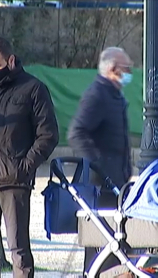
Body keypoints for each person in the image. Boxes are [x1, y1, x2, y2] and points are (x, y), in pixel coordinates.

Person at [0, 36, 59, 278]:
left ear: (11, 60)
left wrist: (25, 167)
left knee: (18, 249)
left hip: (14, 180)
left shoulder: (33, 89)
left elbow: (49, 134)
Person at [67, 46, 133, 276]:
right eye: (127, 68)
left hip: (117, 183)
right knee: (100, 243)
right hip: (101, 184)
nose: (129, 72)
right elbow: (76, 132)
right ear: (114, 69)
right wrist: (98, 164)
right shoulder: (97, 94)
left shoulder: (114, 95)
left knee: (115, 242)